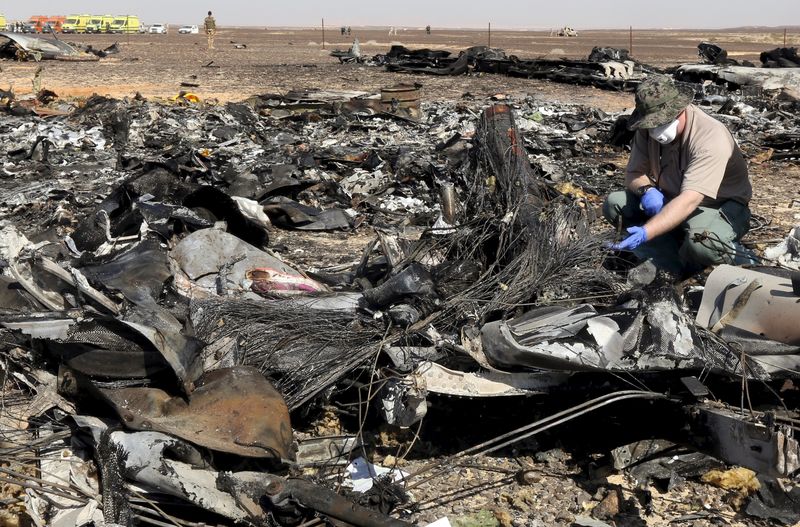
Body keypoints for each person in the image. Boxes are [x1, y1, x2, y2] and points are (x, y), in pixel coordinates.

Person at [603, 75, 755, 275]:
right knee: (615, 203)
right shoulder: (646, 129)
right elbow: (634, 173)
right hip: (671, 197)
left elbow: (690, 201)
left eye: (661, 122)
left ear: (680, 110)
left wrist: (646, 232)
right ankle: (671, 262)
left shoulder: (710, 137)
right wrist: (647, 191)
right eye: (651, 124)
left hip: (714, 205)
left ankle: (747, 261)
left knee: (704, 244)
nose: (655, 131)